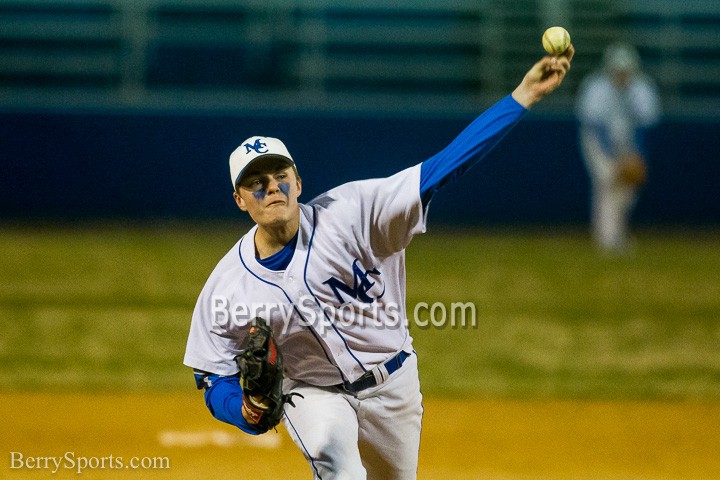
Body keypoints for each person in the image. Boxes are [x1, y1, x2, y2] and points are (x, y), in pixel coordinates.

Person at [184, 45, 574, 480]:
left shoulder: (355, 213)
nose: (271, 188)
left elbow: (444, 168)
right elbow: (212, 374)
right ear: (239, 200)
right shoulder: (227, 286)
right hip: (313, 395)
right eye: (256, 183)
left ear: (298, 181)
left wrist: (521, 96)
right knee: (341, 468)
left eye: (280, 177)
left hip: (394, 385)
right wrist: (244, 410)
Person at [576, 42, 661, 253]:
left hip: (628, 142)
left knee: (626, 191)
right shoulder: (596, 87)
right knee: (606, 182)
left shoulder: (642, 88)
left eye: (625, 70)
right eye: (618, 70)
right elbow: (595, 127)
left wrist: (636, 154)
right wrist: (613, 158)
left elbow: (644, 127)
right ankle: (607, 239)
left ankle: (615, 235)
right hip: (597, 141)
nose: (622, 74)